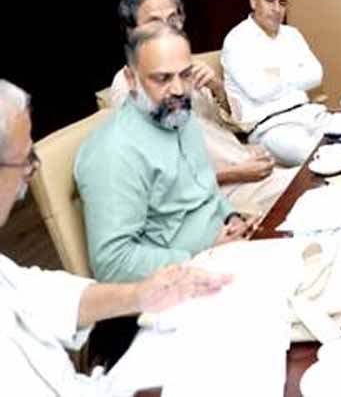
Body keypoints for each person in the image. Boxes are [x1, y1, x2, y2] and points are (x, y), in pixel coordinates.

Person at [0, 79, 230, 395]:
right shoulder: (112, 151)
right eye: (25, 160)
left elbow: (40, 295)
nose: (31, 171)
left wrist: (138, 294)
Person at [76, 23, 253, 284]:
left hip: (230, 248)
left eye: (185, 75)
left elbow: (207, 188)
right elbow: (112, 264)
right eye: (162, 78)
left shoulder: (180, 116)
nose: (179, 89)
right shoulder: (113, 151)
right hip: (180, 282)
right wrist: (201, 255)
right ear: (131, 79)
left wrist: (232, 217)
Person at [108, 0, 293, 214]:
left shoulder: (188, 68)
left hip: (246, 163)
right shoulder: (130, 86)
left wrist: (216, 87)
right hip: (217, 193)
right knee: (318, 188)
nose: (168, 29)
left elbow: (231, 126)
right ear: (132, 31)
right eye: (154, 22)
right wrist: (235, 173)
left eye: (173, 19)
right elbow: (158, 181)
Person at [222, 0, 330, 166]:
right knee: (321, 158)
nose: (277, 9)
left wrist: (276, 75)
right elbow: (260, 91)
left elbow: (316, 75)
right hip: (271, 127)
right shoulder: (237, 40)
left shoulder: (292, 34)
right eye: (270, 0)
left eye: (282, 3)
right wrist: (296, 74)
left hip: (308, 113)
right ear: (254, 2)